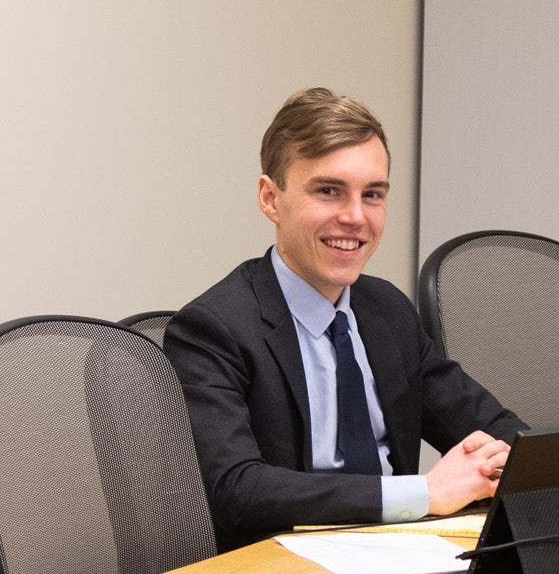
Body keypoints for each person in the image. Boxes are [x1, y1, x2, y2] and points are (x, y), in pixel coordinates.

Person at [166, 87, 523, 549]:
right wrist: (425, 492)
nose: (356, 217)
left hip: (403, 553)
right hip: (284, 570)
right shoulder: (213, 329)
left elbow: (487, 426)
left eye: (372, 194)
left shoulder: (386, 311)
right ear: (270, 198)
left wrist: (544, 462)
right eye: (329, 191)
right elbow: (239, 491)